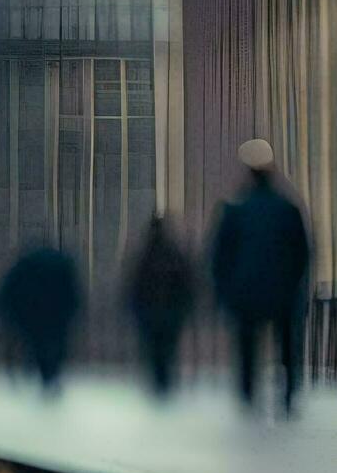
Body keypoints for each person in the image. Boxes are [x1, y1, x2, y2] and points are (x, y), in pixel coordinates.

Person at [211, 139, 311, 416]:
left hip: (246, 291)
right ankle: (289, 394)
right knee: (287, 346)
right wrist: (297, 284)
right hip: (283, 290)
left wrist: (223, 291)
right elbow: (302, 252)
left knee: (246, 345)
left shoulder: (234, 210)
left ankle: (247, 392)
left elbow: (220, 257)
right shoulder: (288, 208)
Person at [0, 246, 80, 392]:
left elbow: (7, 293)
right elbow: (73, 295)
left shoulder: (25, 268)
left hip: (33, 317)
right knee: (51, 347)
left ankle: (43, 374)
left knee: (37, 346)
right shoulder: (60, 269)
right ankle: (49, 375)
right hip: (54, 317)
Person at [126, 216, 194, 394]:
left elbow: (134, 286)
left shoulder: (144, 256)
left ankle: (158, 383)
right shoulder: (174, 255)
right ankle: (164, 383)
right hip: (170, 314)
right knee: (166, 349)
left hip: (150, 313)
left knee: (154, 350)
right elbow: (187, 284)